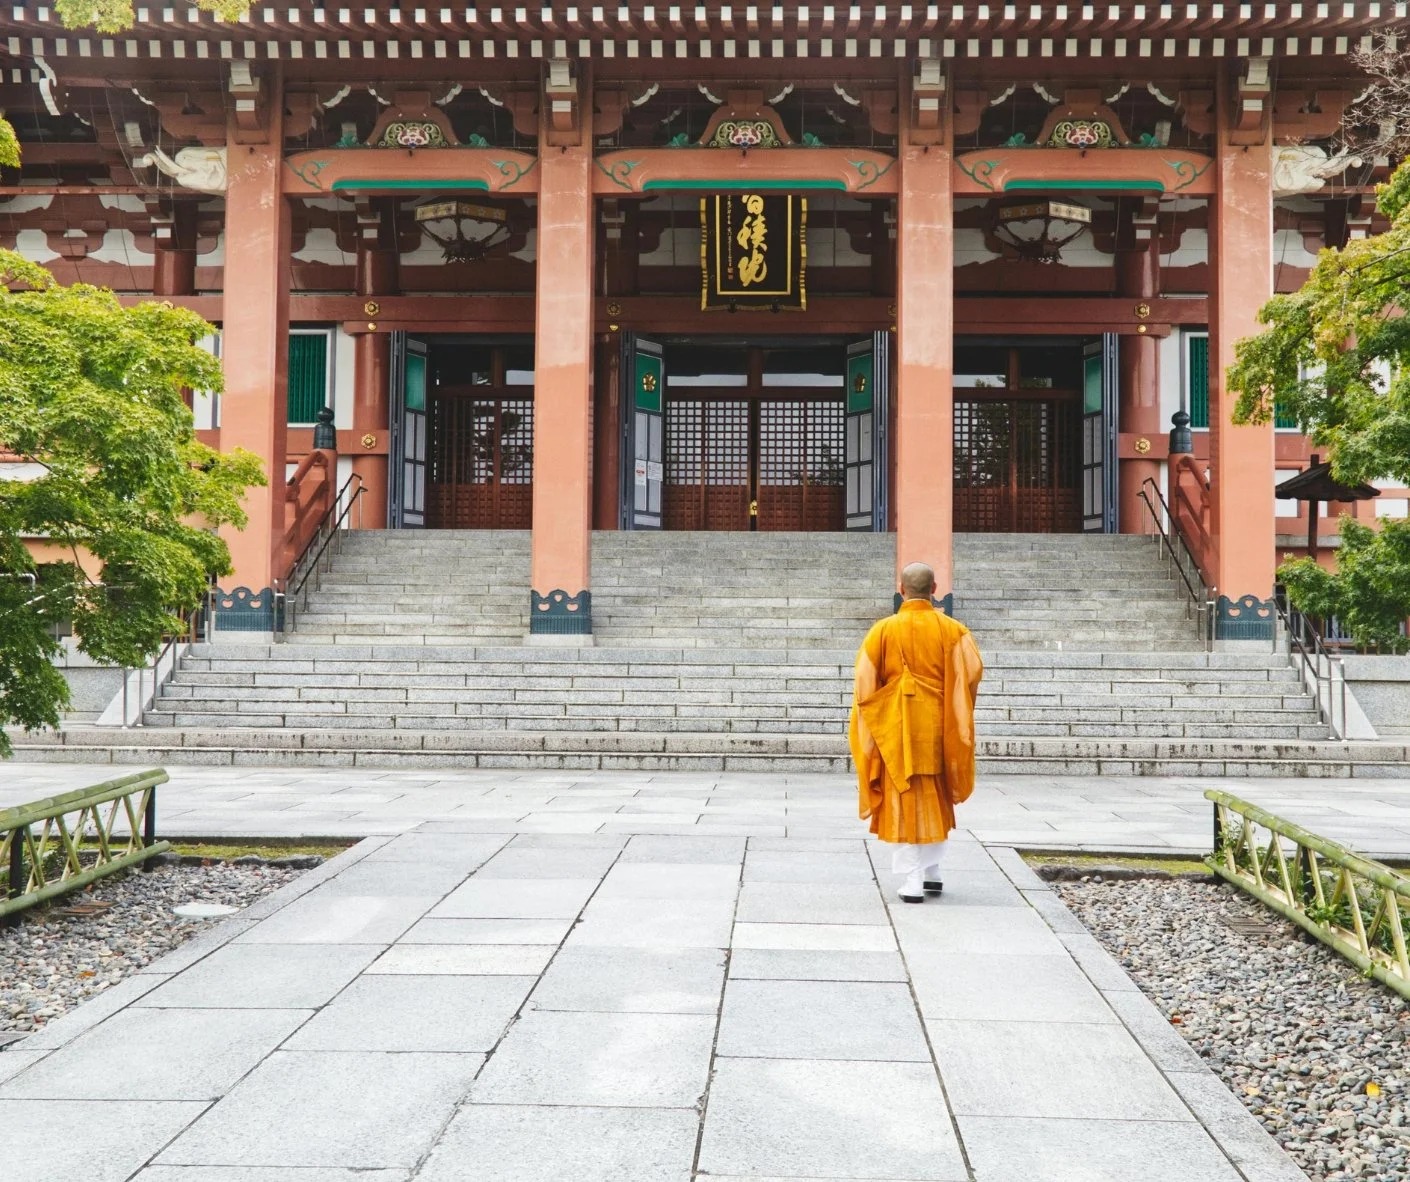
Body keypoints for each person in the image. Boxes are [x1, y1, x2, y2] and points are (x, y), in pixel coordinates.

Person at [848, 562, 984, 903]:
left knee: (904, 798)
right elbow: (970, 677)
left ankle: (912, 881)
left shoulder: (882, 631)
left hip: (897, 727)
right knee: (935, 796)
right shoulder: (954, 631)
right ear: (935, 588)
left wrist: (876, 717)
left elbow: (864, 685)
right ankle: (932, 872)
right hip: (939, 727)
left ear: (902, 589)